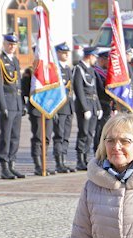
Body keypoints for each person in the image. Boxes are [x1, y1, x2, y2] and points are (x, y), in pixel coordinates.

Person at [0, 33, 26, 179]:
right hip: (7, 103)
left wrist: (22, 103)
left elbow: (19, 85)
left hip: (16, 103)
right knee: (5, 136)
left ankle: (12, 163)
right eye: (9, 44)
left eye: (14, 44)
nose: (12, 46)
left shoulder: (15, 60)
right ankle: (4, 166)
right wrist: (3, 105)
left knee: (15, 136)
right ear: (4, 44)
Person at [72, 46, 100, 171]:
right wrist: (84, 108)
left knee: (90, 133)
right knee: (83, 132)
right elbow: (79, 90)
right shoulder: (79, 69)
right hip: (85, 105)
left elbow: (95, 90)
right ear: (89, 56)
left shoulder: (91, 70)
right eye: (95, 56)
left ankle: (86, 157)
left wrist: (98, 107)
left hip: (93, 104)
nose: (96, 59)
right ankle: (80, 159)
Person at [53, 42, 76, 174]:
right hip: (60, 107)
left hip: (69, 107)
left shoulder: (68, 69)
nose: (66, 54)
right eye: (63, 52)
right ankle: (58, 162)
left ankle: (64, 160)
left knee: (66, 135)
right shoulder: (55, 69)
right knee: (59, 135)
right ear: (57, 53)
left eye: (67, 52)